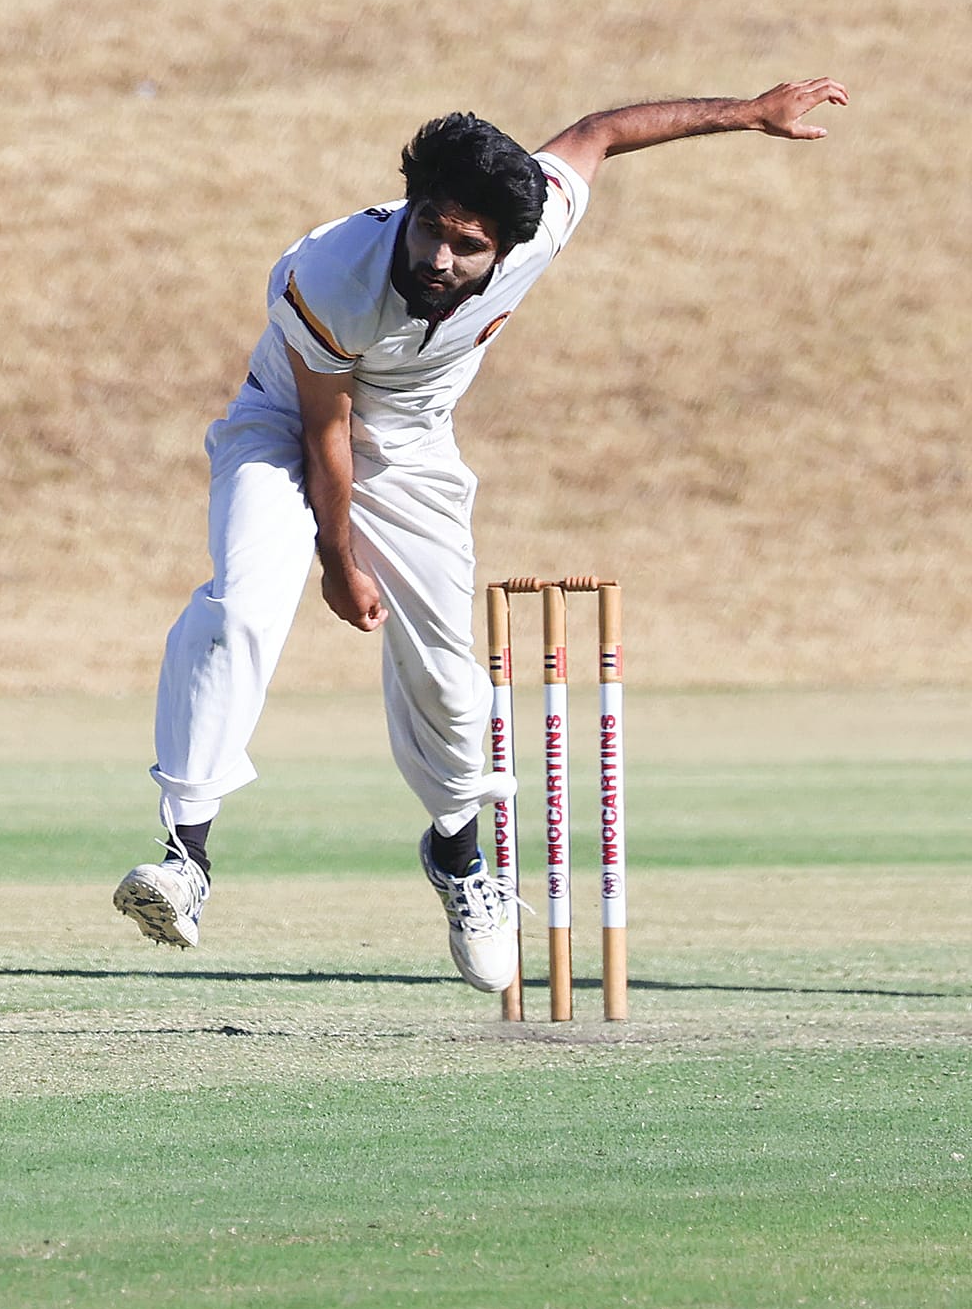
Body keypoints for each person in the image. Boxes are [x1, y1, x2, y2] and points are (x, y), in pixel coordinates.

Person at [113, 78, 848, 990]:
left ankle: (460, 857)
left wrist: (750, 111)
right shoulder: (336, 273)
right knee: (244, 604)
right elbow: (324, 433)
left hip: (411, 447)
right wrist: (337, 564)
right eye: (431, 226)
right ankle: (186, 857)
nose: (439, 256)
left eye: (468, 245)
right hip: (289, 418)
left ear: (505, 244)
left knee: (447, 673)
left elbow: (602, 131)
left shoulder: (540, 221)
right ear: (413, 205)